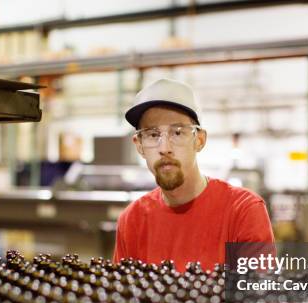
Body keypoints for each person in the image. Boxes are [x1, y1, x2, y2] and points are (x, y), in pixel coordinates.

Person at [113, 78, 275, 272]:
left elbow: (256, 297)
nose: (164, 148)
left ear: (199, 140)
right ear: (139, 145)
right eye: (153, 135)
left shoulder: (243, 212)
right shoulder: (132, 220)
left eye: (178, 132)